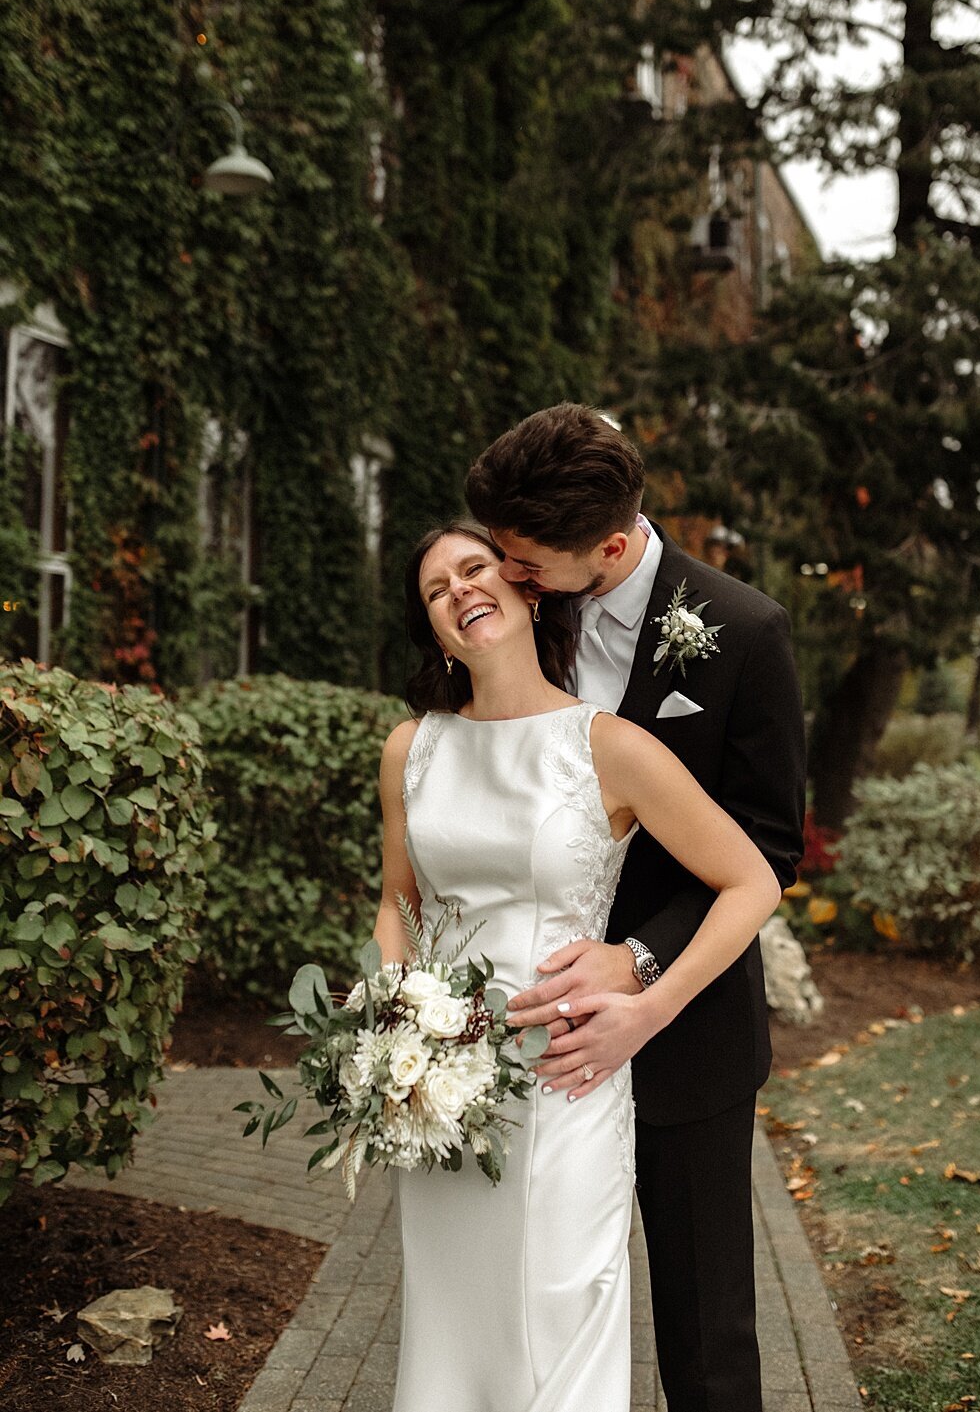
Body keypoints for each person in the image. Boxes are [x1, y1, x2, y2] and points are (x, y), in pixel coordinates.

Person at [375, 521, 782, 1412]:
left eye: (475, 569)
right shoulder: (411, 749)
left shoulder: (610, 746)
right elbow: (397, 901)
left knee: (558, 1324)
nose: (458, 593)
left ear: (527, 588)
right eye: (436, 590)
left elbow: (752, 879)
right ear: (432, 626)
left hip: (565, 1086)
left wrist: (650, 1004)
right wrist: (390, 1020)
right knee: (454, 1331)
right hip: (442, 1093)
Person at [464, 402, 806, 1412]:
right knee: (532, 1311)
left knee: (704, 1338)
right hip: (528, 1026)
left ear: (609, 548)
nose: (503, 578)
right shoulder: (510, 615)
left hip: (689, 1037)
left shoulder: (743, 633)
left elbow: (768, 850)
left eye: (524, 564)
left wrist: (641, 959)